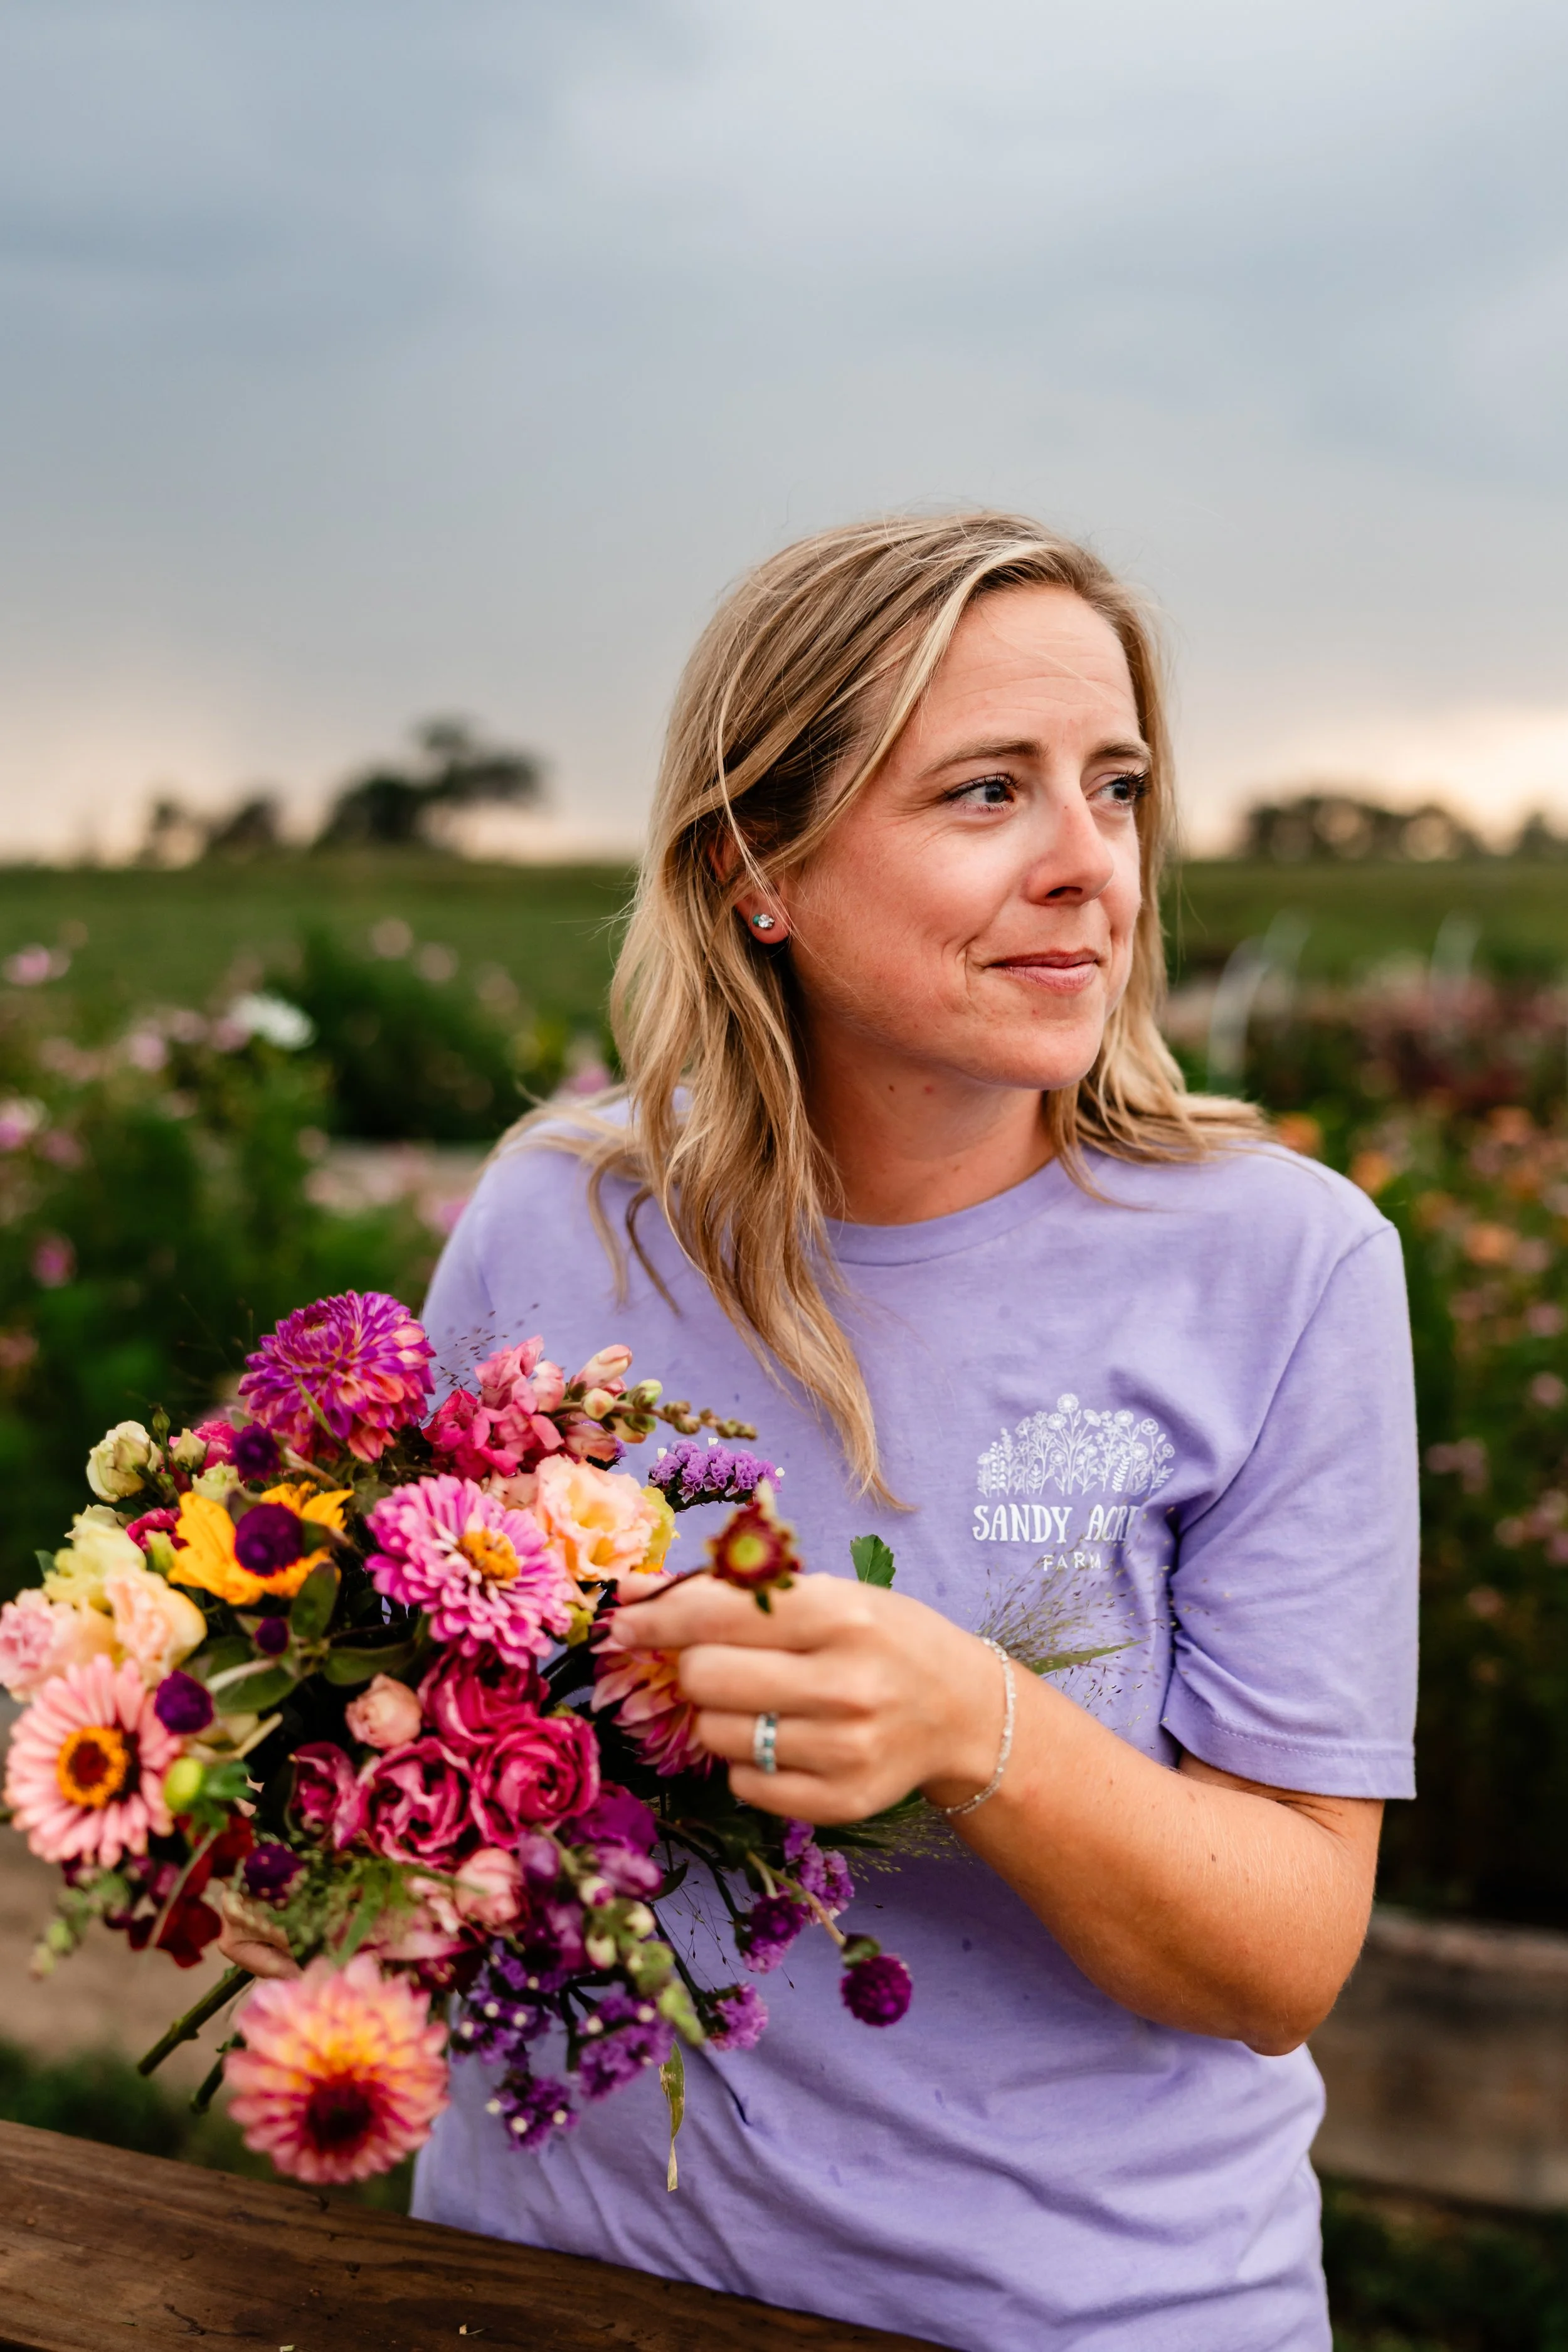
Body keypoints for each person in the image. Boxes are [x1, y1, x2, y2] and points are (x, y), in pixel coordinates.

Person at [411, 512, 1417, 2351]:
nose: (1086, 868)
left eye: (1111, 788)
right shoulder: (560, 1215)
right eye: (984, 793)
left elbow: (1281, 1956)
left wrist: (980, 1725)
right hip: (528, 2283)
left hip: (1065, 2317)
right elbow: (421, 1712)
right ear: (752, 870)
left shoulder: (1276, 1264)